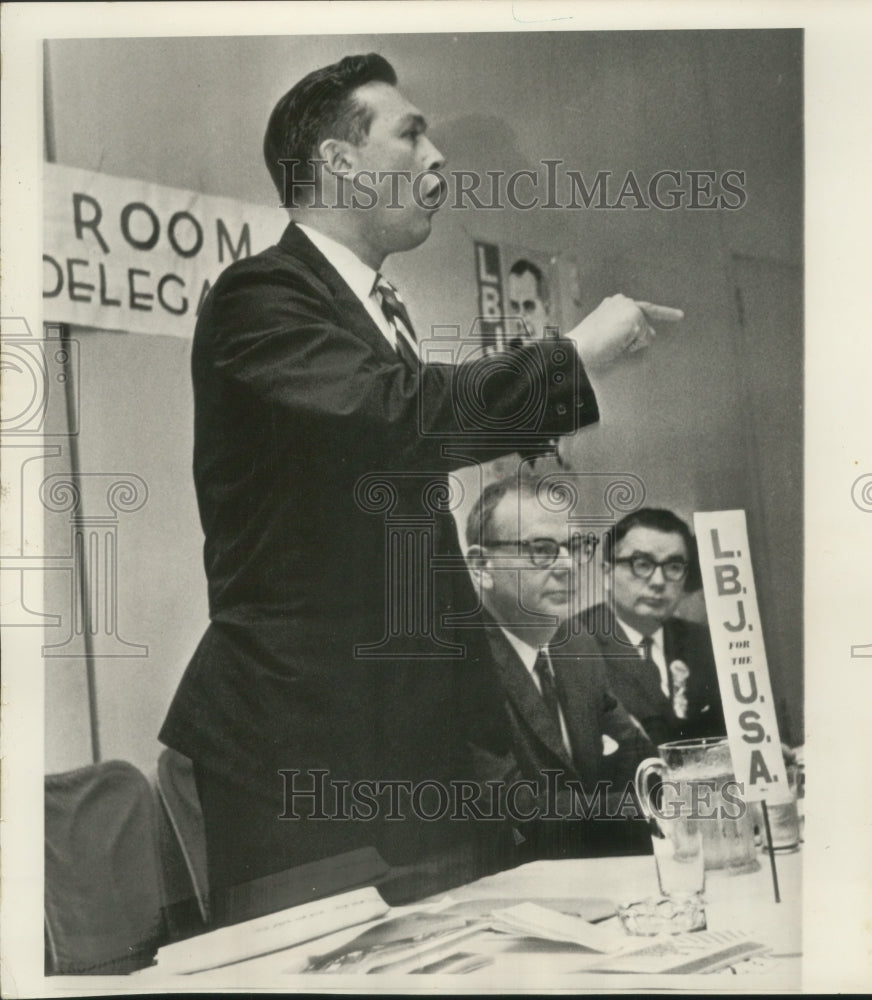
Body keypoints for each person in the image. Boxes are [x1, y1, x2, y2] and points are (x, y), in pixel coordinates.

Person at [159, 53, 682, 912]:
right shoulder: (260, 297)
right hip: (305, 770)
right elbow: (398, 417)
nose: (437, 159)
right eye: (410, 133)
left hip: (412, 765)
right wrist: (572, 360)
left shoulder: (367, 312)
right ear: (338, 164)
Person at [464, 478, 656, 861]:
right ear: (482, 566)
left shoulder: (575, 646)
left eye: (574, 547)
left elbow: (638, 757)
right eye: (540, 550)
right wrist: (669, 804)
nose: (568, 566)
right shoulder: (461, 667)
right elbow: (519, 813)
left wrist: (710, 770)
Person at [571, 507, 725, 747]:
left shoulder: (705, 642)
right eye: (641, 564)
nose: (659, 581)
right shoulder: (574, 645)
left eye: (674, 567)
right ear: (607, 574)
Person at [507, 258, 551, 345]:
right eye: (515, 307)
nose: (520, 317)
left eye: (528, 306)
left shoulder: (566, 351)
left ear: (547, 308)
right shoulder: (511, 355)